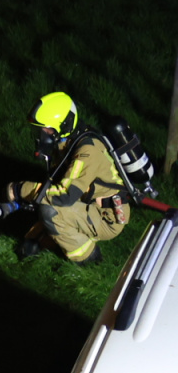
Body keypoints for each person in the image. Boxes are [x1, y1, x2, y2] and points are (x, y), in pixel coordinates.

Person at [8, 91, 130, 263]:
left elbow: (64, 196)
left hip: (107, 217)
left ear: (64, 125)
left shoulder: (87, 151)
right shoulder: (68, 143)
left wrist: (22, 190)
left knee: (50, 211)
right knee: (36, 230)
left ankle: (89, 258)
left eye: (48, 129)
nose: (43, 134)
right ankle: (53, 236)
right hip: (86, 203)